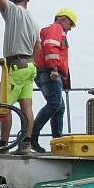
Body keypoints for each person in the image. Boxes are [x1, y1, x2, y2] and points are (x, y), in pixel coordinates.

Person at [0, 0, 41, 154]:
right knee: (27, 105)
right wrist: (31, 62)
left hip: (15, 65)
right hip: (30, 66)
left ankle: (3, 144)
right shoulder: (34, 22)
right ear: (27, 0)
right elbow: (38, 47)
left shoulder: (12, 10)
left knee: (5, 105)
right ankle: (26, 143)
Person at [31, 9, 78, 152]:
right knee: (55, 104)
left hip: (46, 72)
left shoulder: (53, 30)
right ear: (63, 19)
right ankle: (32, 137)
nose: (70, 28)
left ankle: (58, 143)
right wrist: (54, 70)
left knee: (59, 107)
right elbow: (51, 48)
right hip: (48, 72)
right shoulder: (55, 29)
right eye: (70, 24)